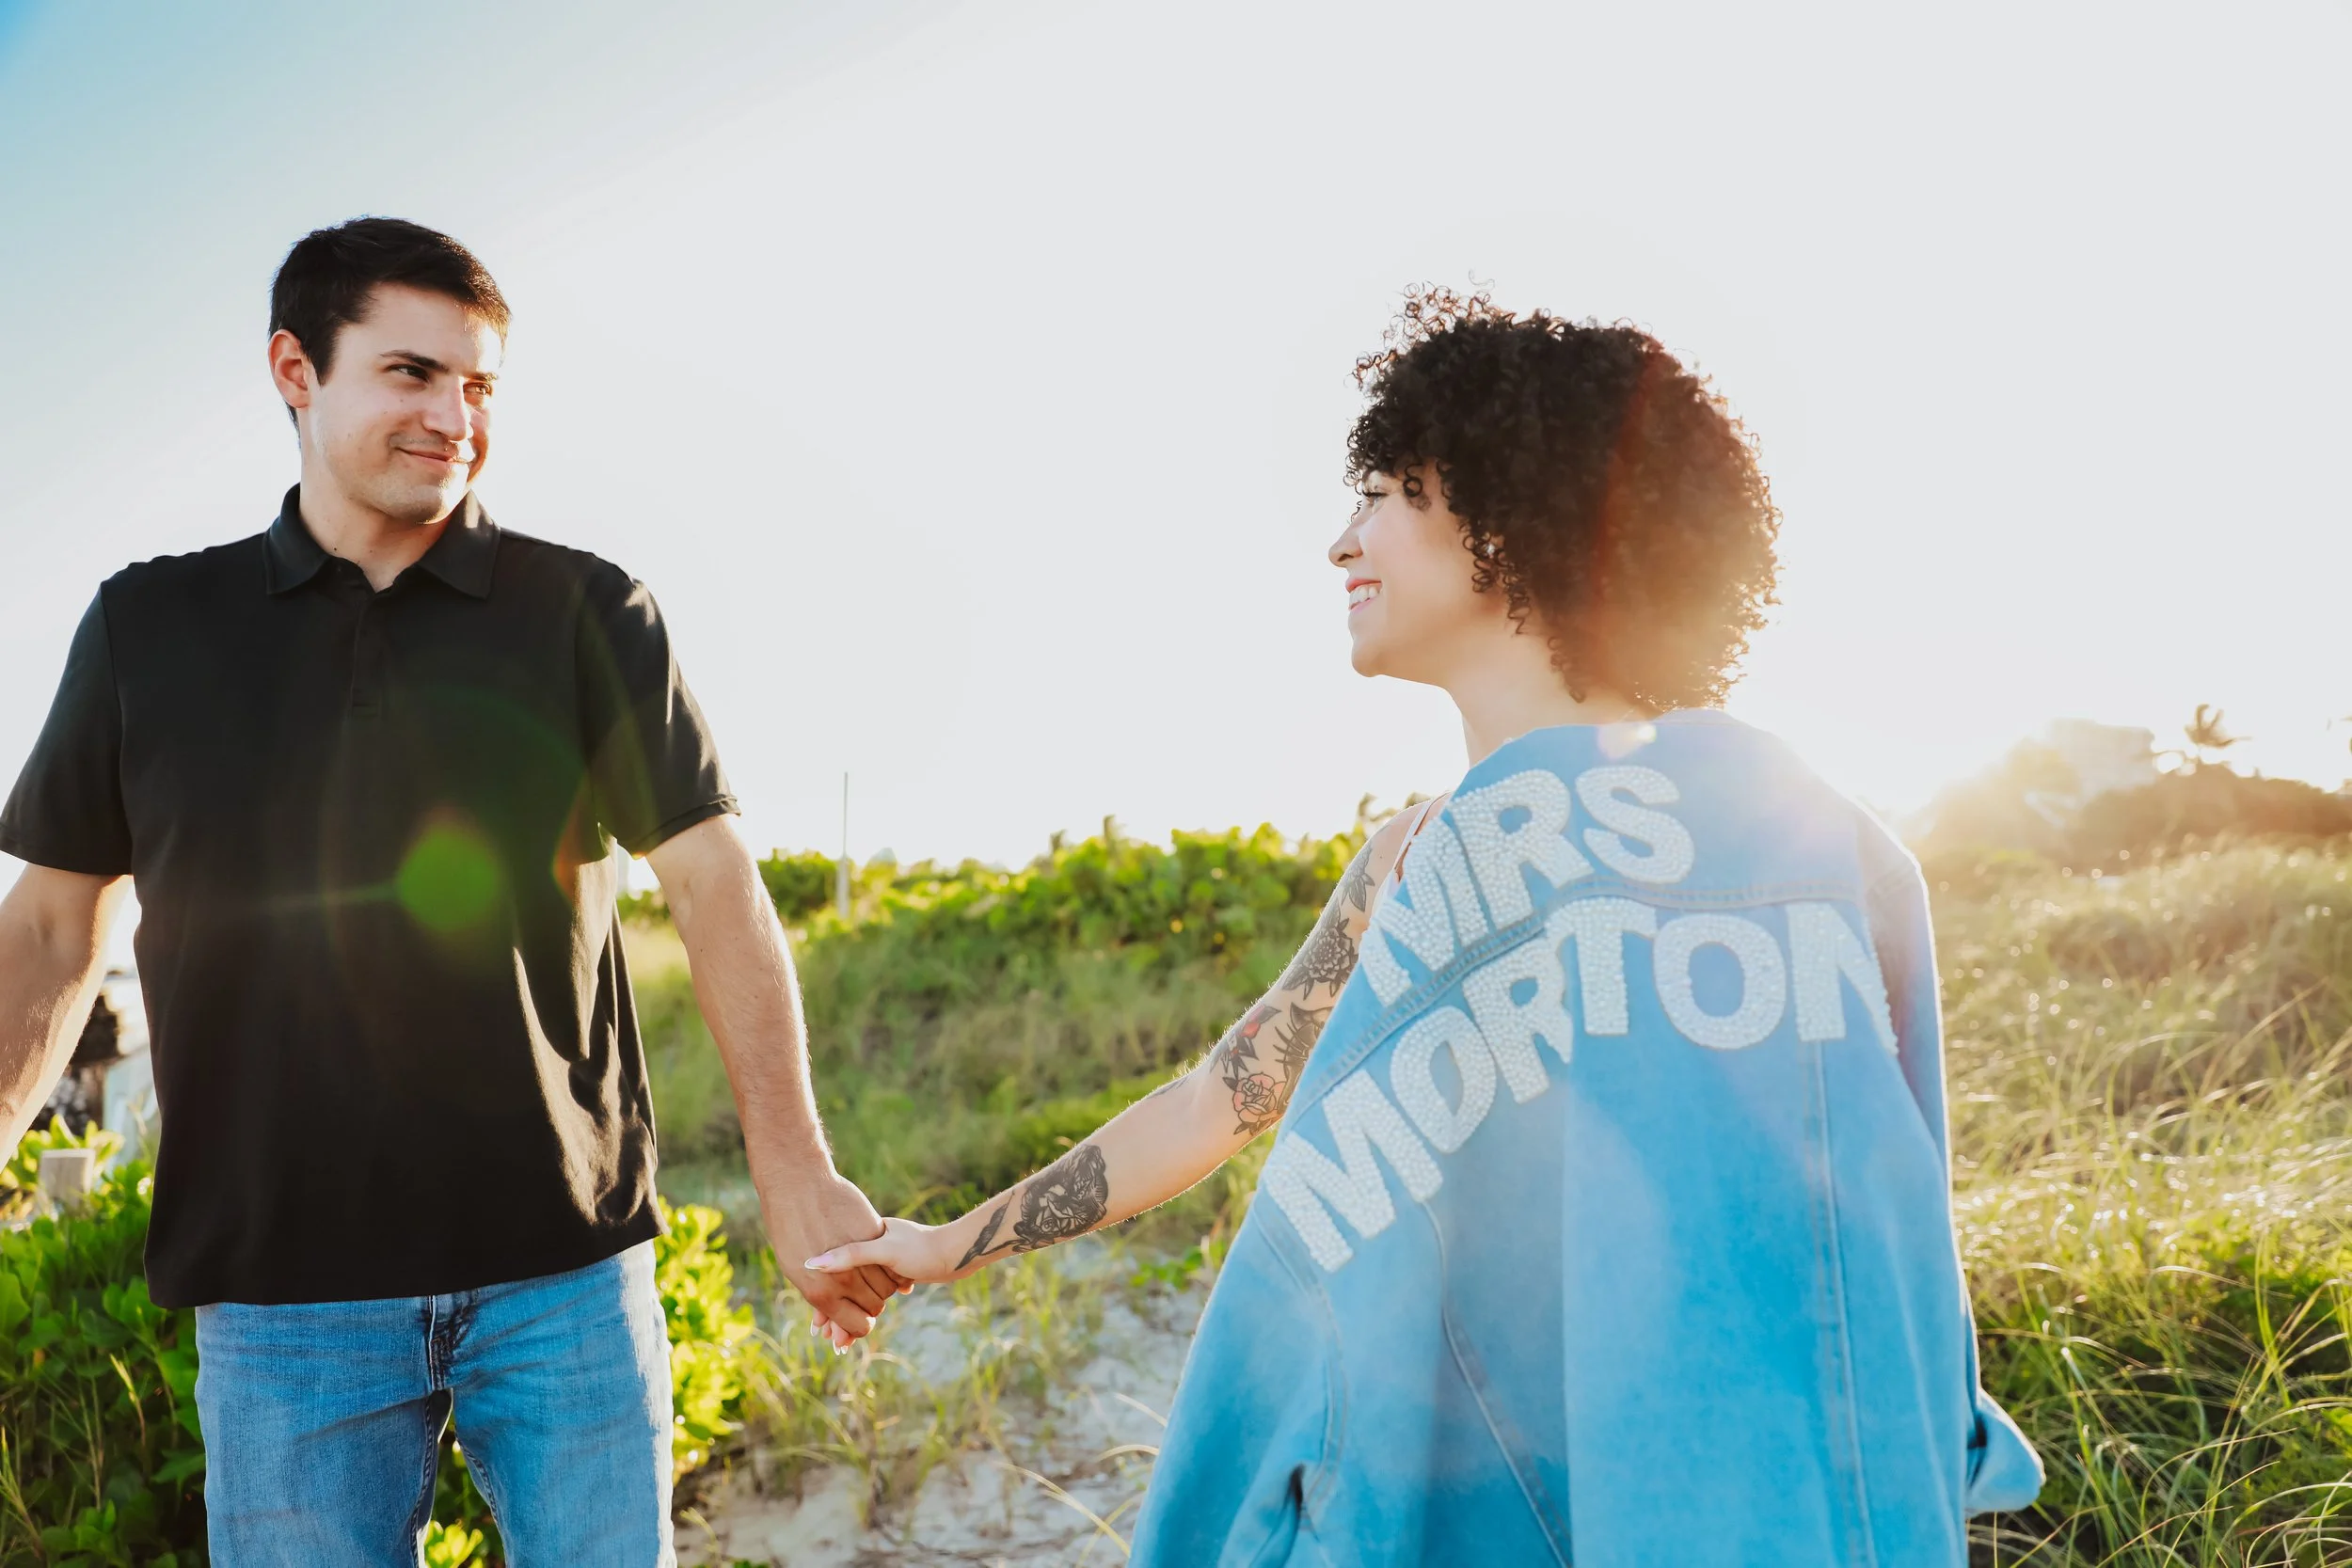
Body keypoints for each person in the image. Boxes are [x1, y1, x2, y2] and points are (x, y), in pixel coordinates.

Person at [809, 288, 2043, 1563]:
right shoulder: (1440, 861)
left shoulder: (1776, 845)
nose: (1343, 540)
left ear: (1514, 512)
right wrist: (946, 1245)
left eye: (1390, 490)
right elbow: (1216, 1101)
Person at [0, 217, 900, 1566]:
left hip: (565, 1280)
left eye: (480, 386)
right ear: (295, 370)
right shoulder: (150, 628)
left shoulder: (588, 611)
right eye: (414, 373)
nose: (454, 415)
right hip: (279, 1295)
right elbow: (57, 924)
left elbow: (717, 888)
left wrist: (796, 1166)